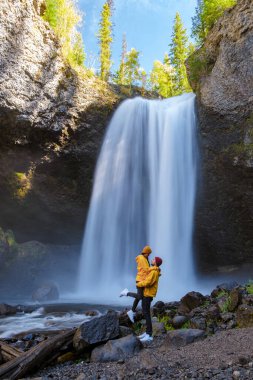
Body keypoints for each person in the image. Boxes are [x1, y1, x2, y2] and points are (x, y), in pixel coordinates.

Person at [119, 245, 152, 322]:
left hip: (143, 280)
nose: (149, 255)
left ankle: (132, 311)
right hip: (140, 280)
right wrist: (154, 270)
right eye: (148, 253)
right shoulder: (141, 258)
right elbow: (146, 270)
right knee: (140, 297)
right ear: (145, 252)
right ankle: (126, 292)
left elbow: (147, 270)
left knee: (139, 297)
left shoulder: (145, 259)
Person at [136, 256, 163, 342]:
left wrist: (139, 284)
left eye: (153, 259)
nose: (151, 260)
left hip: (148, 295)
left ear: (155, 262)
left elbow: (148, 283)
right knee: (145, 312)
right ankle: (147, 332)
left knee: (147, 314)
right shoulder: (152, 271)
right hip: (146, 294)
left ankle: (149, 334)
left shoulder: (154, 272)